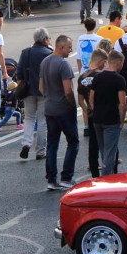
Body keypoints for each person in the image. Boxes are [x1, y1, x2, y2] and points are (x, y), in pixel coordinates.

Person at [40, 35, 80, 191]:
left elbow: (41, 87)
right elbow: (68, 91)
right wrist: (73, 105)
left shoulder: (45, 62)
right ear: (61, 47)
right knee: (73, 142)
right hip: (63, 109)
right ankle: (66, 177)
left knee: (52, 144)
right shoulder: (64, 65)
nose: (71, 50)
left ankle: (51, 179)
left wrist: (49, 98)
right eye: (69, 47)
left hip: (49, 108)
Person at [89, 50, 127, 176]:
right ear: (119, 62)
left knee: (104, 151)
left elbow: (91, 99)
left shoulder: (97, 77)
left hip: (97, 119)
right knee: (110, 153)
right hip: (111, 120)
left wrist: (96, 111)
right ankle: (106, 180)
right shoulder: (119, 80)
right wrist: (121, 121)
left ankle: (106, 176)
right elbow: (122, 104)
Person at [17, 28, 52, 160]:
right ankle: (40, 151)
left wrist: (21, 84)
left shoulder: (26, 52)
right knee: (43, 120)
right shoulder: (49, 53)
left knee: (29, 118)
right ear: (45, 40)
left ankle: (26, 143)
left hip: (28, 90)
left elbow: (19, 72)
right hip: (44, 91)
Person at [77, 48, 107, 178]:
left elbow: (80, 99)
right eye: (104, 62)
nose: (105, 65)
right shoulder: (101, 76)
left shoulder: (83, 77)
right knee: (107, 144)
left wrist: (87, 109)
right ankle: (109, 171)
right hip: (104, 113)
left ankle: (94, 173)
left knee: (93, 144)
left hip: (91, 114)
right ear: (100, 61)